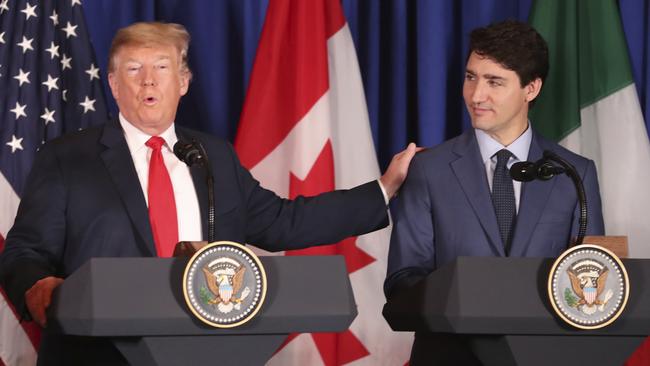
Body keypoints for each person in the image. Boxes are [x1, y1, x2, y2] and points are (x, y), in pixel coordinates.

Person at [0, 22, 417, 365]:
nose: (148, 80)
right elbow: (25, 251)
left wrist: (383, 189)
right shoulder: (66, 158)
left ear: (183, 81)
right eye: (133, 69)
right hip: (97, 355)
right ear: (112, 82)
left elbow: (283, 221)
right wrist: (40, 287)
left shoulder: (211, 156)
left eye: (162, 67)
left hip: (203, 349)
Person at [384, 20, 604, 365]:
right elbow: (401, 279)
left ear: (531, 89)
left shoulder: (574, 173)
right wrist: (467, 299)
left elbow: (592, 278)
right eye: (471, 77)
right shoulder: (429, 169)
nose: (475, 95)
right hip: (448, 356)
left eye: (494, 82)